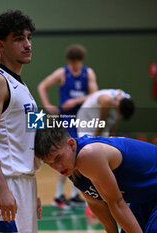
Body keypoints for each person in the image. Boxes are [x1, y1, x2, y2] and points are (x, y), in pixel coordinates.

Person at [35, 126, 157, 233]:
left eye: (57, 158)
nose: (57, 167)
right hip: (147, 193)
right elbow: (95, 202)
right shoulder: (69, 164)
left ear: (71, 144)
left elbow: (116, 203)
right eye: (50, 164)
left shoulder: (88, 155)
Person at [0, 10, 41, 233]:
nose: (27, 44)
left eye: (29, 38)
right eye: (19, 39)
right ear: (1, 45)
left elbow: (26, 141)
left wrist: (34, 190)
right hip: (5, 183)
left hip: (24, 183)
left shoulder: (22, 86)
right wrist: (1, 189)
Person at [38, 44, 98, 209]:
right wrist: (48, 105)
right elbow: (42, 86)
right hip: (67, 120)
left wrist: (76, 101)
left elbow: (95, 93)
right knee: (65, 156)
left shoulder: (88, 73)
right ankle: (58, 195)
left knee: (79, 158)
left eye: (77, 63)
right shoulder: (62, 72)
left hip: (83, 120)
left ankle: (74, 194)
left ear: (81, 61)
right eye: (72, 63)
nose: (74, 66)